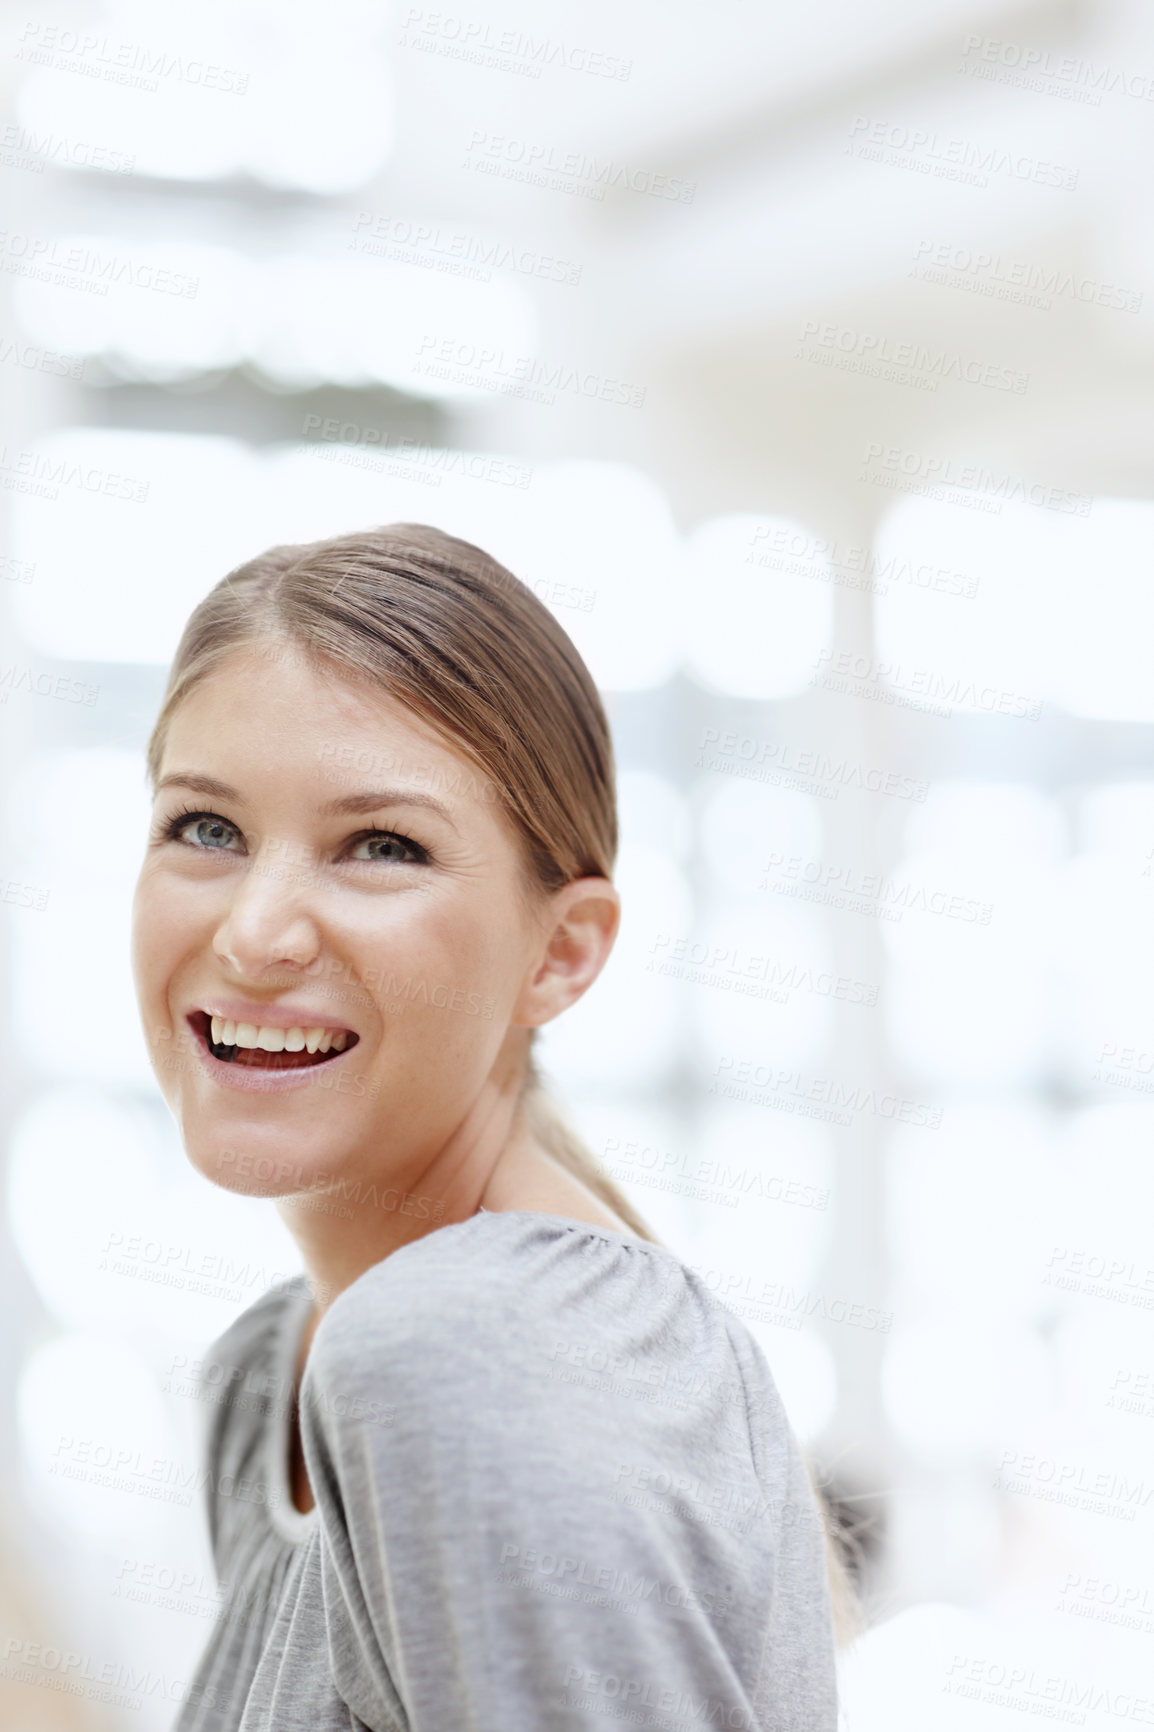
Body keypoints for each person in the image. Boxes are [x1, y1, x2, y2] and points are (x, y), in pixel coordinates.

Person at [132, 524, 847, 1731]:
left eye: (381, 846)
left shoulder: (458, 1348)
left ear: (561, 953)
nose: (256, 933)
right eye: (206, 828)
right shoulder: (268, 1377)